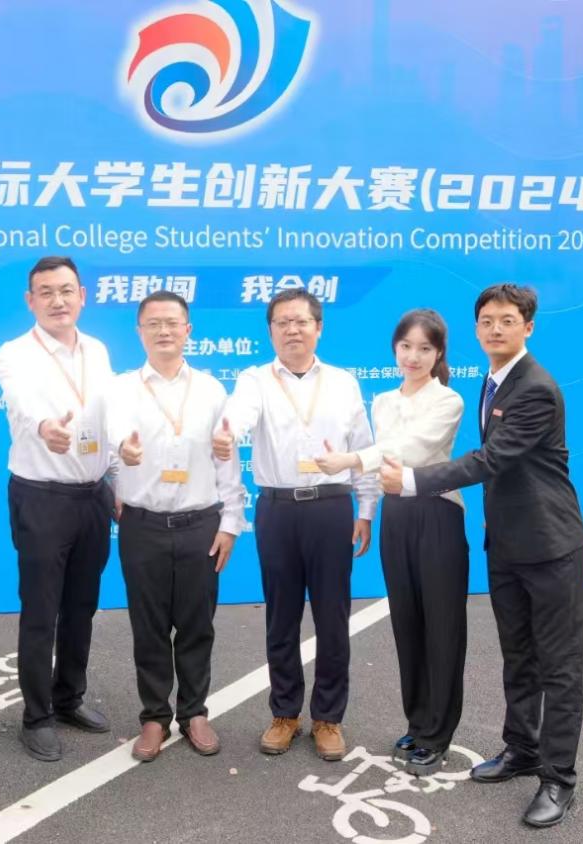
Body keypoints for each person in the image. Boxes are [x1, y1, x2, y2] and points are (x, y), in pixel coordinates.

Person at [381, 283, 583, 829]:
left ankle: (559, 779)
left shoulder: (535, 387)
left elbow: (490, 460)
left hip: (550, 546)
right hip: (508, 545)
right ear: (476, 329)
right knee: (518, 656)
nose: (496, 329)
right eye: (487, 321)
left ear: (528, 327)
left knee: (559, 666)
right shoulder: (493, 380)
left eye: (507, 320)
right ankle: (522, 749)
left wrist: (411, 481)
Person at [213, 288, 378, 762]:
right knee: (281, 617)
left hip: (331, 507)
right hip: (278, 509)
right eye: (282, 322)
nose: (292, 330)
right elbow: (239, 415)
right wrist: (228, 432)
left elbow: (362, 446)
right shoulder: (255, 379)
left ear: (318, 327)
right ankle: (284, 713)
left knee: (333, 617)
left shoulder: (343, 382)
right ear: (271, 331)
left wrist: (366, 509)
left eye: (301, 321)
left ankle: (328, 718)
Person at [314, 309, 468, 777]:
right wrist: (370, 509)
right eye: (406, 347)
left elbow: (413, 451)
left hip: (437, 512)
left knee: (442, 627)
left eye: (424, 348)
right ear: (394, 349)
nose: (413, 356)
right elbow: (387, 467)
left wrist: (350, 460)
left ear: (438, 353)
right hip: (396, 515)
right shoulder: (382, 401)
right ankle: (417, 722)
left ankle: (438, 734)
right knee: (407, 623)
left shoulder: (449, 400)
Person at [108, 291, 247, 762]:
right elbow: (112, 440)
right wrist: (122, 453)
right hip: (142, 525)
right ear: (140, 332)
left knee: (196, 625)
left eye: (172, 322)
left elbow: (226, 459)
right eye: (153, 323)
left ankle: (194, 712)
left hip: (199, 524)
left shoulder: (210, 390)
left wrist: (231, 522)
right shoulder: (121, 389)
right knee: (147, 626)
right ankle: (153, 716)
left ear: (188, 330)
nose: (163, 331)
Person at [0, 256, 115, 762]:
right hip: (41, 495)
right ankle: (36, 716)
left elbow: (109, 418)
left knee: (82, 606)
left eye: (66, 290)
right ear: (31, 301)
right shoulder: (14, 353)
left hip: (93, 494)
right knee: (42, 609)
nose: (57, 301)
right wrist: (46, 426)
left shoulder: (98, 351)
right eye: (46, 292)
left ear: (82, 296)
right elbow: (22, 403)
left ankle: (69, 697)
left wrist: (117, 475)